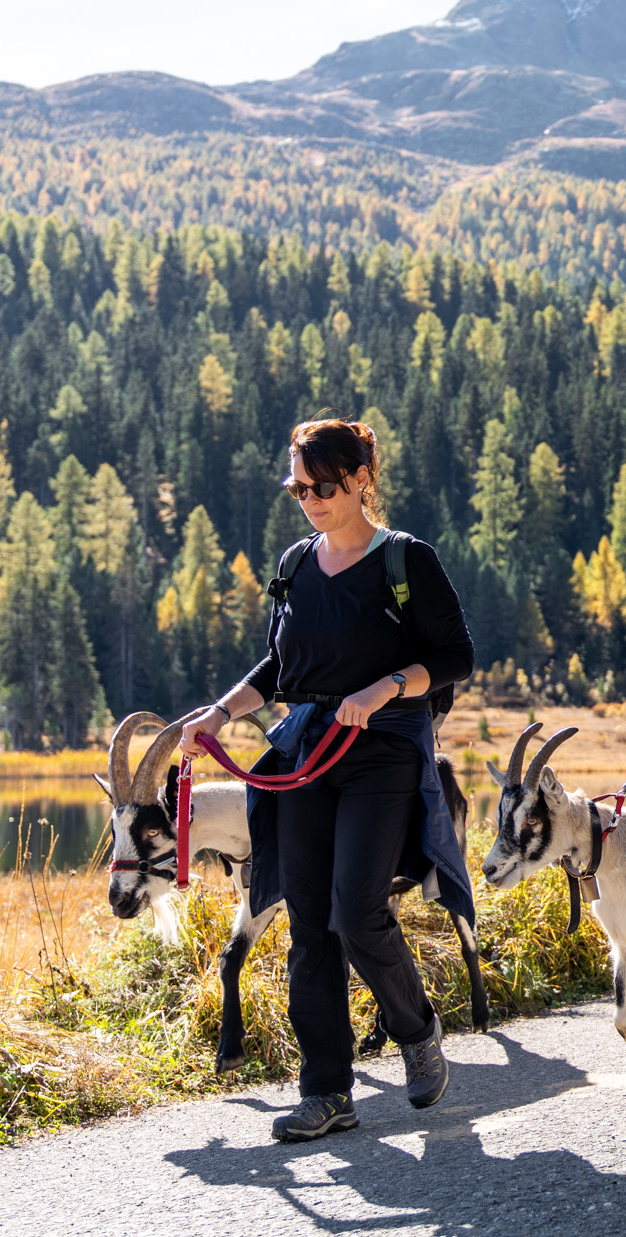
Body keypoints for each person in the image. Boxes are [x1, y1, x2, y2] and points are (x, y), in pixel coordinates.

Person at [180, 418, 475, 1141]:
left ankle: (416, 1027)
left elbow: (457, 657)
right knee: (308, 921)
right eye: (299, 487)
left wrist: (383, 689)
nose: (310, 499)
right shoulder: (297, 563)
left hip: (381, 753)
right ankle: (327, 1090)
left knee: (354, 910)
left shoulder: (406, 560)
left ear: (361, 480)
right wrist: (218, 714)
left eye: (325, 486)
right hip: (305, 754)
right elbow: (279, 668)